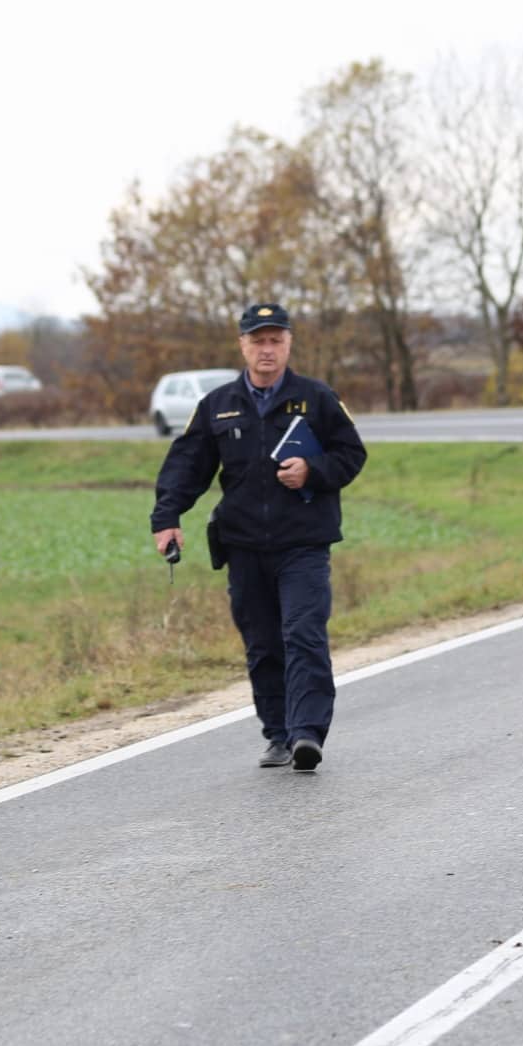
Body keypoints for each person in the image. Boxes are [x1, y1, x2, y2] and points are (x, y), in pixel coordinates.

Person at [150, 303, 367, 772]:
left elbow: (352, 454)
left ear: (288, 344)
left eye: (276, 340)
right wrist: (166, 517)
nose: (267, 349)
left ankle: (307, 733)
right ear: (243, 345)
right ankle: (278, 734)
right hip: (244, 545)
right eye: (258, 340)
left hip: (303, 544)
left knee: (303, 634)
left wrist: (313, 470)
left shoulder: (317, 399)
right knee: (264, 643)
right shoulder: (217, 405)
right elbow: (186, 466)